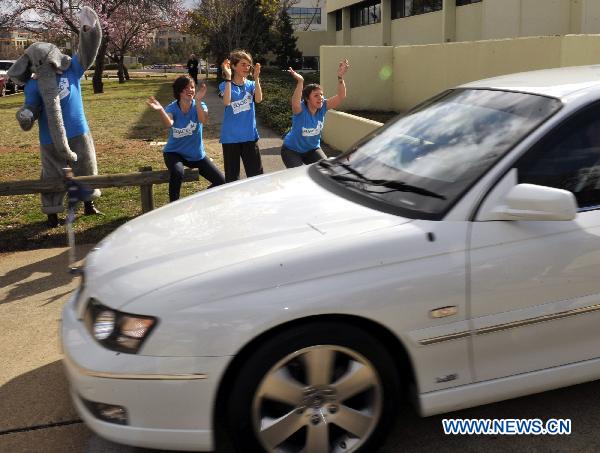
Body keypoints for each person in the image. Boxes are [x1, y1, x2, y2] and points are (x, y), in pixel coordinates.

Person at [147, 75, 225, 202]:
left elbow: (203, 120)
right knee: (178, 173)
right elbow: (169, 123)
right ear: (179, 91)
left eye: (192, 87)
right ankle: (173, 205)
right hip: (174, 153)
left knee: (221, 181)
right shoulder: (172, 108)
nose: (190, 90)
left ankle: (195, 201)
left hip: (196, 155)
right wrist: (161, 110)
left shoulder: (200, 105)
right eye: (186, 88)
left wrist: (198, 101)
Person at [280, 59, 350, 168]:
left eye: (321, 95)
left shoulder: (323, 107)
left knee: (327, 170)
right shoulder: (300, 109)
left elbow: (341, 96)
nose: (321, 98)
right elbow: (295, 102)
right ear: (307, 99)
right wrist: (300, 82)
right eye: (316, 95)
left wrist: (340, 77)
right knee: (298, 177)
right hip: (291, 151)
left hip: (312, 150)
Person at [219, 50, 264, 182]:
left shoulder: (250, 85)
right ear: (233, 66)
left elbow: (259, 99)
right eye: (243, 64)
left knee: (256, 177)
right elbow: (226, 102)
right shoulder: (225, 85)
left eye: (248, 65)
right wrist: (228, 78)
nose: (247, 67)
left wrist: (256, 78)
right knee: (232, 179)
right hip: (230, 139)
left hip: (249, 136)